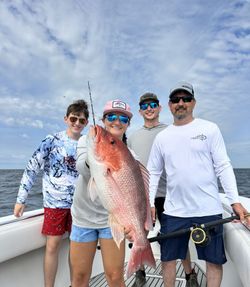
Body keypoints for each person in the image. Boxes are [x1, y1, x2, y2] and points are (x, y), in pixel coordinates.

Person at [147, 81, 250, 287]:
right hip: (174, 211)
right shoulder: (162, 137)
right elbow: (153, 172)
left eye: (186, 99)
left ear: (193, 103)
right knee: (167, 259)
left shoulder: (210, 129)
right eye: (176, 100)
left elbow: (223, 166)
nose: (181, 103)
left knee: (213, 261)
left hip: (208, 208)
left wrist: (234, 201)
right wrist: (149, 203)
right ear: (169, 105)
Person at [14, 100, 89, 287]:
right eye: (74, 118)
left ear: (86, 123)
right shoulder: (51, 140)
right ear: (66, 119)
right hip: (55, 205)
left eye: (82, 120)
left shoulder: (88, 144)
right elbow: (32, 168)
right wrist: (21, 199)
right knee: (52, 246)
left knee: (77, 249)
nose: (77, 123)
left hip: (80, 206)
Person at [128, 93, 198, 287]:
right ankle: (139, 271)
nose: (149, 108)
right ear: (140, 111)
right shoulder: (132, 137)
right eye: (144, 105)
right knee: (138, 235)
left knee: (178, 235)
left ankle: (189, 273)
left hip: (170, 194)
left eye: (153, 105)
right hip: (142, 196)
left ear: (159, 108)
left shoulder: (171, 131)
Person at [70, 99, 135, 287]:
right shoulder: (88, 139)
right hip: (83, 219)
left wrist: (134, 225)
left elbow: (135, 194)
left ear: (128, 124)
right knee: (79, 277)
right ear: (104, 119)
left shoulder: (132, 156)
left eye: (124, 118)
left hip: (112, 220)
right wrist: (101, 152)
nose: (117, 121)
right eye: (111, 116)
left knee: (115, 277)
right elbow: (82, 168)